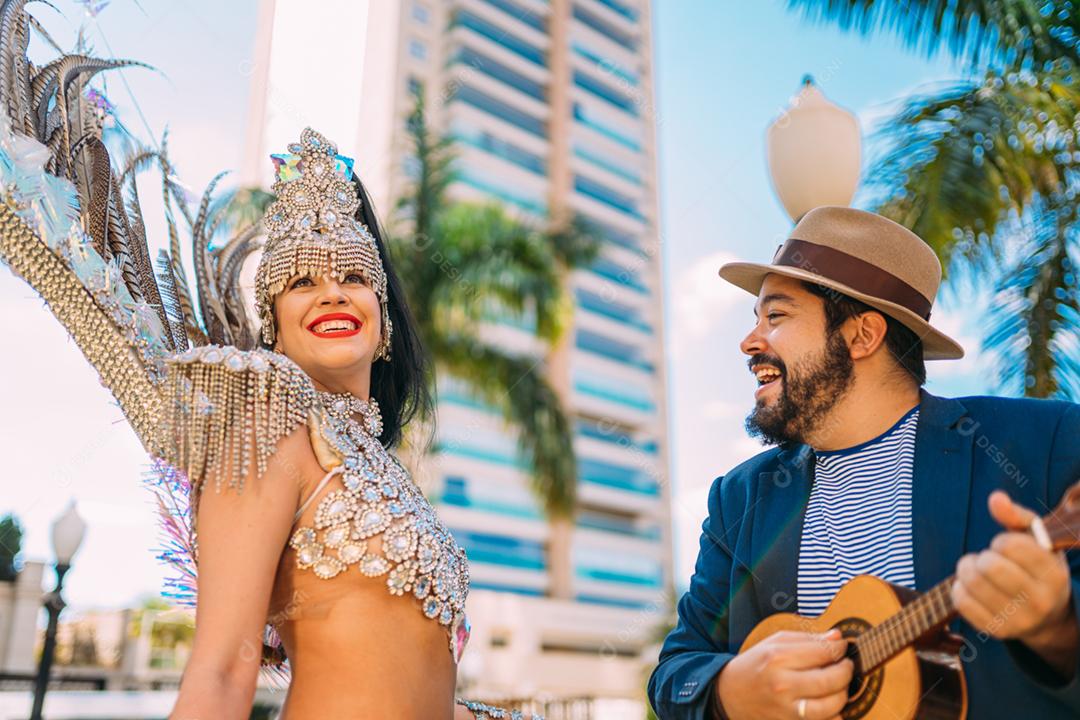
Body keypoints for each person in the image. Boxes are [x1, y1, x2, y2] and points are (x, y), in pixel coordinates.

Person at [158, 128, 541, 720]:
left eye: (355, 277)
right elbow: (221, 668)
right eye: (302, 281)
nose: (332, 295)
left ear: (382, 319)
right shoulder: (266, 424)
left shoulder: (384, 467)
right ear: (273, 327)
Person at [647, 207, 1080, 720]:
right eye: (755, 319)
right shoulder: (738, 498)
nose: (749, 341)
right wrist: (728, 691)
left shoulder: (1046, 441)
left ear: (862, 336)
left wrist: (1056, 626)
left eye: (777, 316)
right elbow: (675, 671)